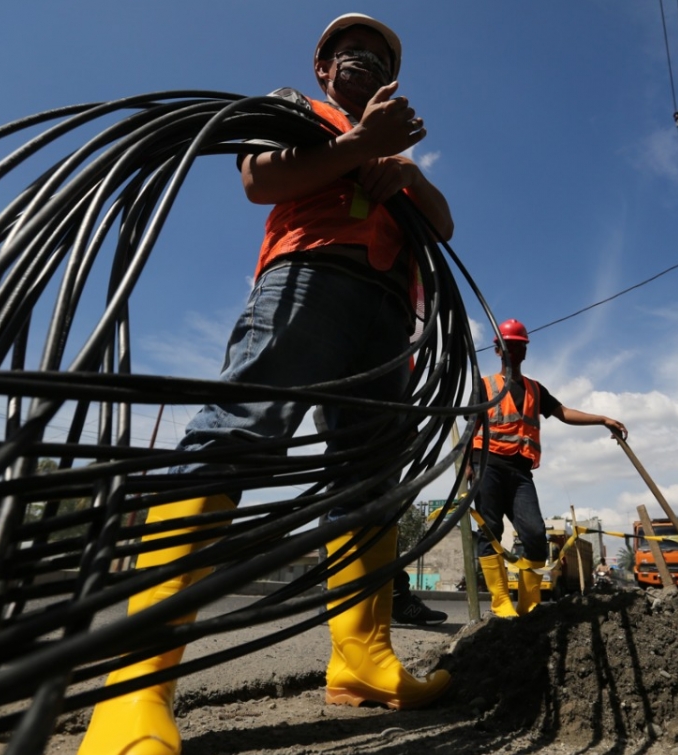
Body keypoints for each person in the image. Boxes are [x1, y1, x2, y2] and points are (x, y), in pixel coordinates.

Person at [79, 13, 453, 755]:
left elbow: (440, 227)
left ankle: (363, 658)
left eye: (379, 55)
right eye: (349, 50)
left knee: (371, 481)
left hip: (386, 314)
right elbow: (259, 178)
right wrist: (354, 147)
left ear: (392, 77)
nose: (363, 57)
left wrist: (404, 171)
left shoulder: (400, 156)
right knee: (236, 436)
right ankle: (134, 694)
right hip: (307, 281)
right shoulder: (291, 106)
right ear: (322, 67)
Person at [469, 318, 628, 618]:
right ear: (497, 351)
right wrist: (467, 464)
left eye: (518, 347)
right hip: (487, 464)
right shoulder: (485, 386)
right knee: (489, 531)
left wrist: (602, 419)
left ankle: (528, 606)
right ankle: (501, 602)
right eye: (508, 346)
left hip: (519, 472)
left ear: (525, 351)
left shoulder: (535, 389)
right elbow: (469, 426)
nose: (513, 352)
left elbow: (564, 412)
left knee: (534, 535)